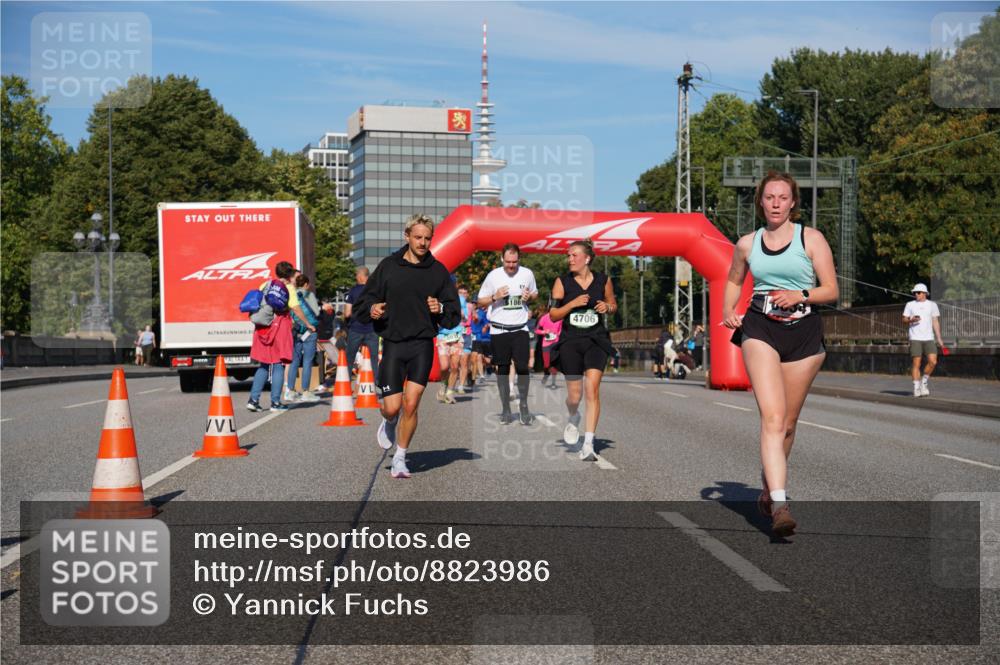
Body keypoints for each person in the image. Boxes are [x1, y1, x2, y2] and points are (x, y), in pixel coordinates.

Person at [723, 171, 838, 538]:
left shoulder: (811, 239)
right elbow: (734, 278)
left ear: (792, 203)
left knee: (787, 424)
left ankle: (768, 486)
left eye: (782, 197)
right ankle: (780, 504)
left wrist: (801, 294)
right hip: (760, 329)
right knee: (771, 418)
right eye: (769, 197)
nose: (775, 203)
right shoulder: (747, 243)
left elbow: (831, 290)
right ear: (760, 201)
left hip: (804, 333)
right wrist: (729, 310)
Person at [354, 214, 461, 479]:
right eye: (418, 237)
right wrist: (373, 308)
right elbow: (363, 304)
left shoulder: (438, 271)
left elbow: (454, 312)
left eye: (427, 238)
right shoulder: (389, 266)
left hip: (422, 345)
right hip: (393, 344)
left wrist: (441, 307)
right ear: (407, 237)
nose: (423, 243)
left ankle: (401, 457)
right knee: (392, 407)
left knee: (411, 405)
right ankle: (389, 421)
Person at [548, 239, 617, 461]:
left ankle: (588, 443)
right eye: (568, 255)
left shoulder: (603, 281)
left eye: (574, 255)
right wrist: (572, 304)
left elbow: (613, 305)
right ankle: (573, 417)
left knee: (592, 390)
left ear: (587, 258)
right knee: (574, 396)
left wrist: (608, 307)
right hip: (570, 341)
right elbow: (553, 315)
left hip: (596, 340)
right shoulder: (562, 282)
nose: (570, 259)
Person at [477, 243, 539, 425]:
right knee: (502, 370)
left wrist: (529, 296)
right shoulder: (493, 276)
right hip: (499, 329)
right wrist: (495, 297)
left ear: (519, 259)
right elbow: (481, 302)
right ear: (502, 259)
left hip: (520, 328)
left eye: (515, 262)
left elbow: (535, 293)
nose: (511, 265)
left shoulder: (527, 273)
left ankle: (524, 405)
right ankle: (505, 408)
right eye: (508, 262)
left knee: (522, 367)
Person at [247, 261, 316, 412]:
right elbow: (296, 309)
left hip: (262, 328)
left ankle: (253, 399)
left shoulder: (265, 284)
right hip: (279, 329)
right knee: (278, 364)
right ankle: (275, 402)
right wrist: (308, 324)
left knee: (264, 364)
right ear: (290, 274)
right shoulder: (289, 289)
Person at [903, 283, 944, 397]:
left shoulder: (932, 305)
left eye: (919, 292)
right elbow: (904, 319)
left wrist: (939, 338)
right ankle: (916, 387)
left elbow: (935, 322)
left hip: (929, 338)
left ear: (925, 293)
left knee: (933, 361)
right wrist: (911, 320)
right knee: (916, 363)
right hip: (915, 338)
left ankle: (924, 382)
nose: (916, 294)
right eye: (915, 292)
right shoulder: (910, 304)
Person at [286, 274, 321, 403]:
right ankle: (306, 391)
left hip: (296, 330)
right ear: (306, 284)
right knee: (307, 361)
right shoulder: (309, 295)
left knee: (294, 361)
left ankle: (291, 391)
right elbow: (316, 312)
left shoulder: (292, 293)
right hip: (310, 330)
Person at [344, 266, 380, 383]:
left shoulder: (353, 291)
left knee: (349, 358)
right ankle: (375, 384)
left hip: (355, 329)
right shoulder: (375, 291)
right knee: (374, 359)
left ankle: (346, 383)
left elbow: (347, 313)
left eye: (356, 275)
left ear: (360, 276)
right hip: (372, 329)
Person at [534, 309, 563, 389]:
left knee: (554, 363)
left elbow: (560, 330)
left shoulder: (560, 318)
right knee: (547, 364)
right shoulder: (544, 318)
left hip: (555, 344)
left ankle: (553, 383)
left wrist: (558, 334)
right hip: (546, 344)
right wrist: (544, 332)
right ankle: (546, 375)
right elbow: (536, 330)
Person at [316, 300, 338, 392]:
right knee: (329, 361)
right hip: (328, 338)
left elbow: (317, 319)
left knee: (322, 362)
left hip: (321, 338)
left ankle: (322, 382)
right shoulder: (332, 313)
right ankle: (323, 381)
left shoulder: (322, 313)